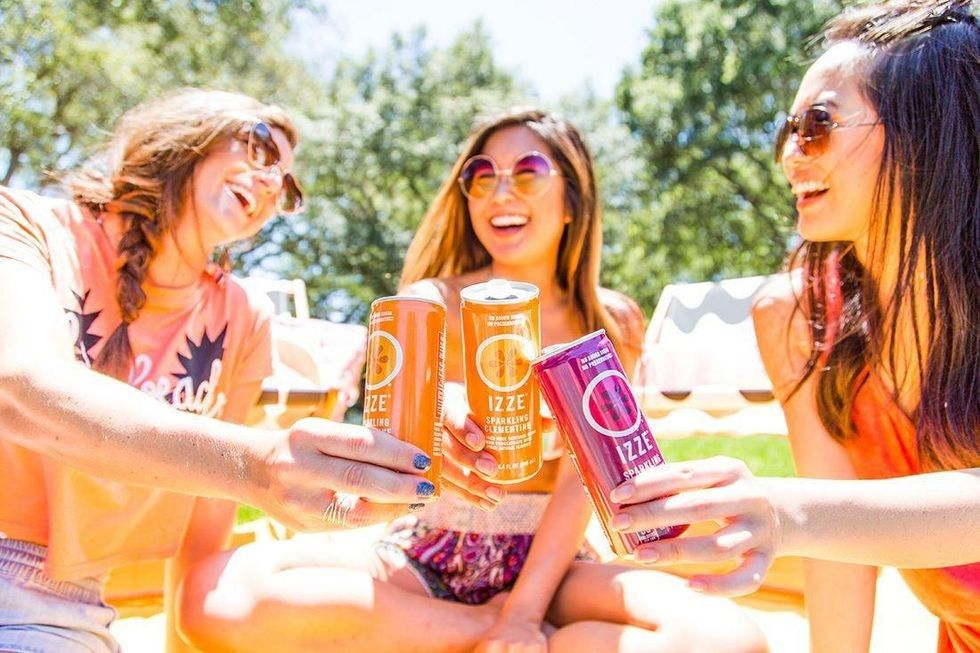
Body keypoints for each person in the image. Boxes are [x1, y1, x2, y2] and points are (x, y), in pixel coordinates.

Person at [177, 108, 767, 652]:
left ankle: (476, 635)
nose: (500, 192)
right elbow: (402, 422)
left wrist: (526, 609)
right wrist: (442, 410)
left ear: (572, 200)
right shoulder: (430, 301)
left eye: (528, 171)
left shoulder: (610, 323)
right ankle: (483, 633)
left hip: (553, 563)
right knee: (214, 599)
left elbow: (578, 488)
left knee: (729, 637)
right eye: (482, 176)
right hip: (427, 548)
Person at [0, 89, 437, 653]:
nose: (270, 182)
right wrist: (256, 466)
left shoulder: (242, 318)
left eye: (286, 183)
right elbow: (17, 388)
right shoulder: (28, 226)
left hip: (69, 607)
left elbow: (200, 555)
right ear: (188, 132)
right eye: (259, 147)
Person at [607, 1, 980, 651]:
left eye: (818, 125)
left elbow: (812, 513)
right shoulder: (802, 318)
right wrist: (794, 514)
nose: (788, 155)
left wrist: (785, 510)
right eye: (788, 129)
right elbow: (840, 561)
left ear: (925, 132)